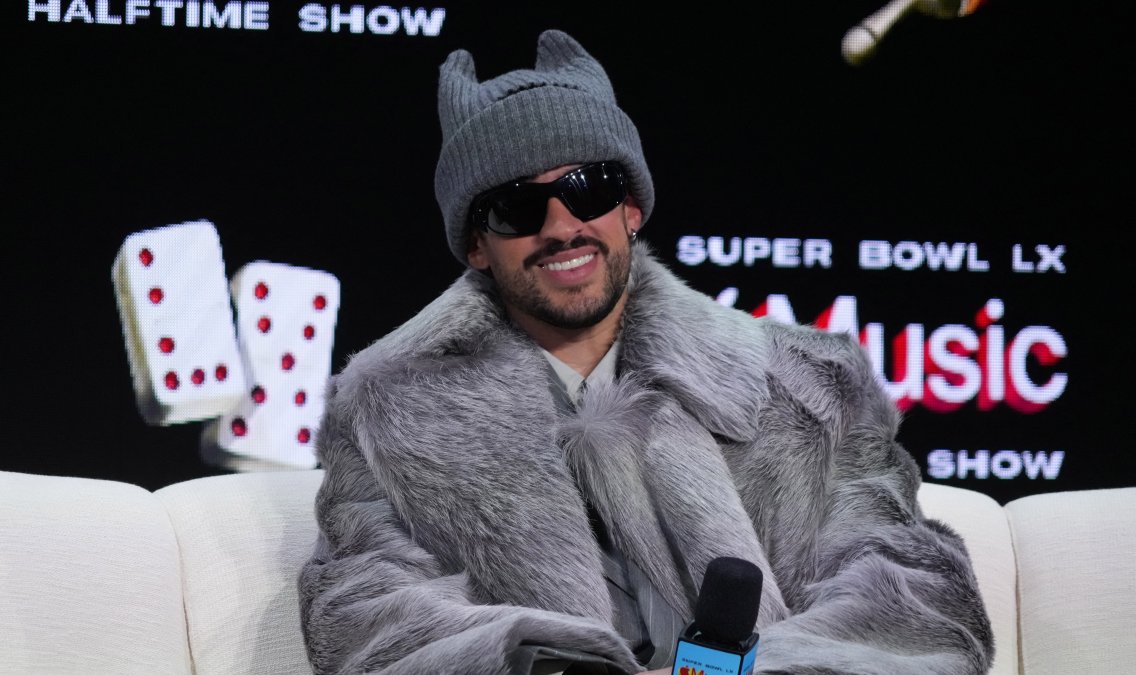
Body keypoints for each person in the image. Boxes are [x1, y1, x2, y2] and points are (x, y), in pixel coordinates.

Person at [298, 28, 995, 675]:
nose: (564, 225)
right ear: (477, 244)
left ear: (630, 207)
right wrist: (537, 658)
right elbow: (360, 609)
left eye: (588, 188)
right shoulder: (382, 413)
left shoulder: (808, 386)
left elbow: (914, 587)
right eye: (518, 207)